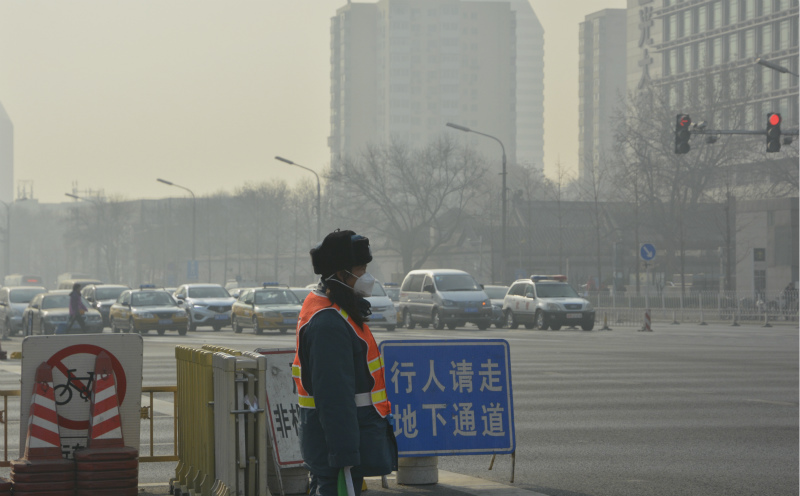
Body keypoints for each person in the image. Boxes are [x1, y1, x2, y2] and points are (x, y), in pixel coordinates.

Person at [292, 230, 397, 496]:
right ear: (340, 275)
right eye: (360, 270)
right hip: (337, 452)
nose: (367, 277)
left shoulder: (336, 311)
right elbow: (334, 397)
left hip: (342, 444)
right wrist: (344, 455)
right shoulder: (329, 323)